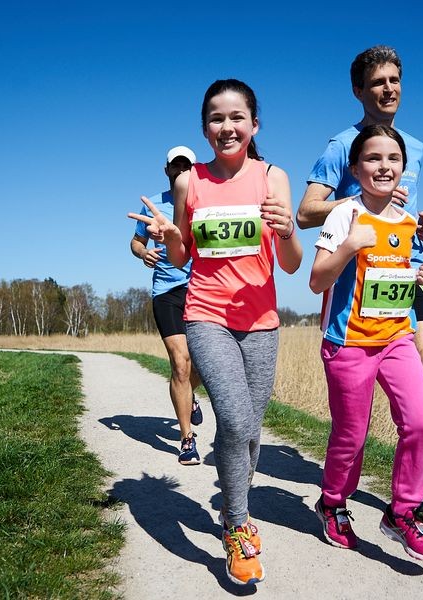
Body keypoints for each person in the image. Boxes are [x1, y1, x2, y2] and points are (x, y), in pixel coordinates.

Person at [129, 79, 302, 586]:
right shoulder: (191, 184)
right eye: (215, 118)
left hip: (262, 323)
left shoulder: (273, 178)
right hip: (205, 314)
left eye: (235, 117)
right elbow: (183, 258)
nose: (226, 127)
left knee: (249, 430)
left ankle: (233, 506)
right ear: (205, 127)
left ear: (254, 124)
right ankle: (238, 526)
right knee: (235, 417)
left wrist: (288, 229)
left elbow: (289, 266)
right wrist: (170, 235)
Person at [296, 44, 423, 523]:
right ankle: (338, 500)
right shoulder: (340, 146)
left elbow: (402, 208)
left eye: (395, 80)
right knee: (355, 420)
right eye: (378, 82)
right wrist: (361, 209)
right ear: (359, 91)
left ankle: (419, 486)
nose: (389, 89)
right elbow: (306, 212)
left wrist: (417, 225)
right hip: (357, 284)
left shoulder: (416, 146)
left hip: (407, 272)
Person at [309, 124, 423, 560]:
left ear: (404, 168)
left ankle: (402, 512)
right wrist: (349, 245)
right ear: (355, 167)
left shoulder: (408, 222)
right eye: (372, 158)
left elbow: (390, 281)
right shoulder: (343, 215)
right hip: (348, 342)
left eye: (392, 159)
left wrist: (416, 277)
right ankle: (332, 503)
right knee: (351, 436)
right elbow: (317, 281)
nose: (383, 167)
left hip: (396, 339)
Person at [131, 145, 205, 465]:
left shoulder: (204, 202)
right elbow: (136, 242)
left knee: (202, 364)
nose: (180, 172)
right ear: (166, 171)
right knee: (179, 361)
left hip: (201, 290)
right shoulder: (154, 203)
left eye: (186, 167)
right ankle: (186, 438)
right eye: (175, 167)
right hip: (166, 292)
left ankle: (188, 395)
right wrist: (142, 252)